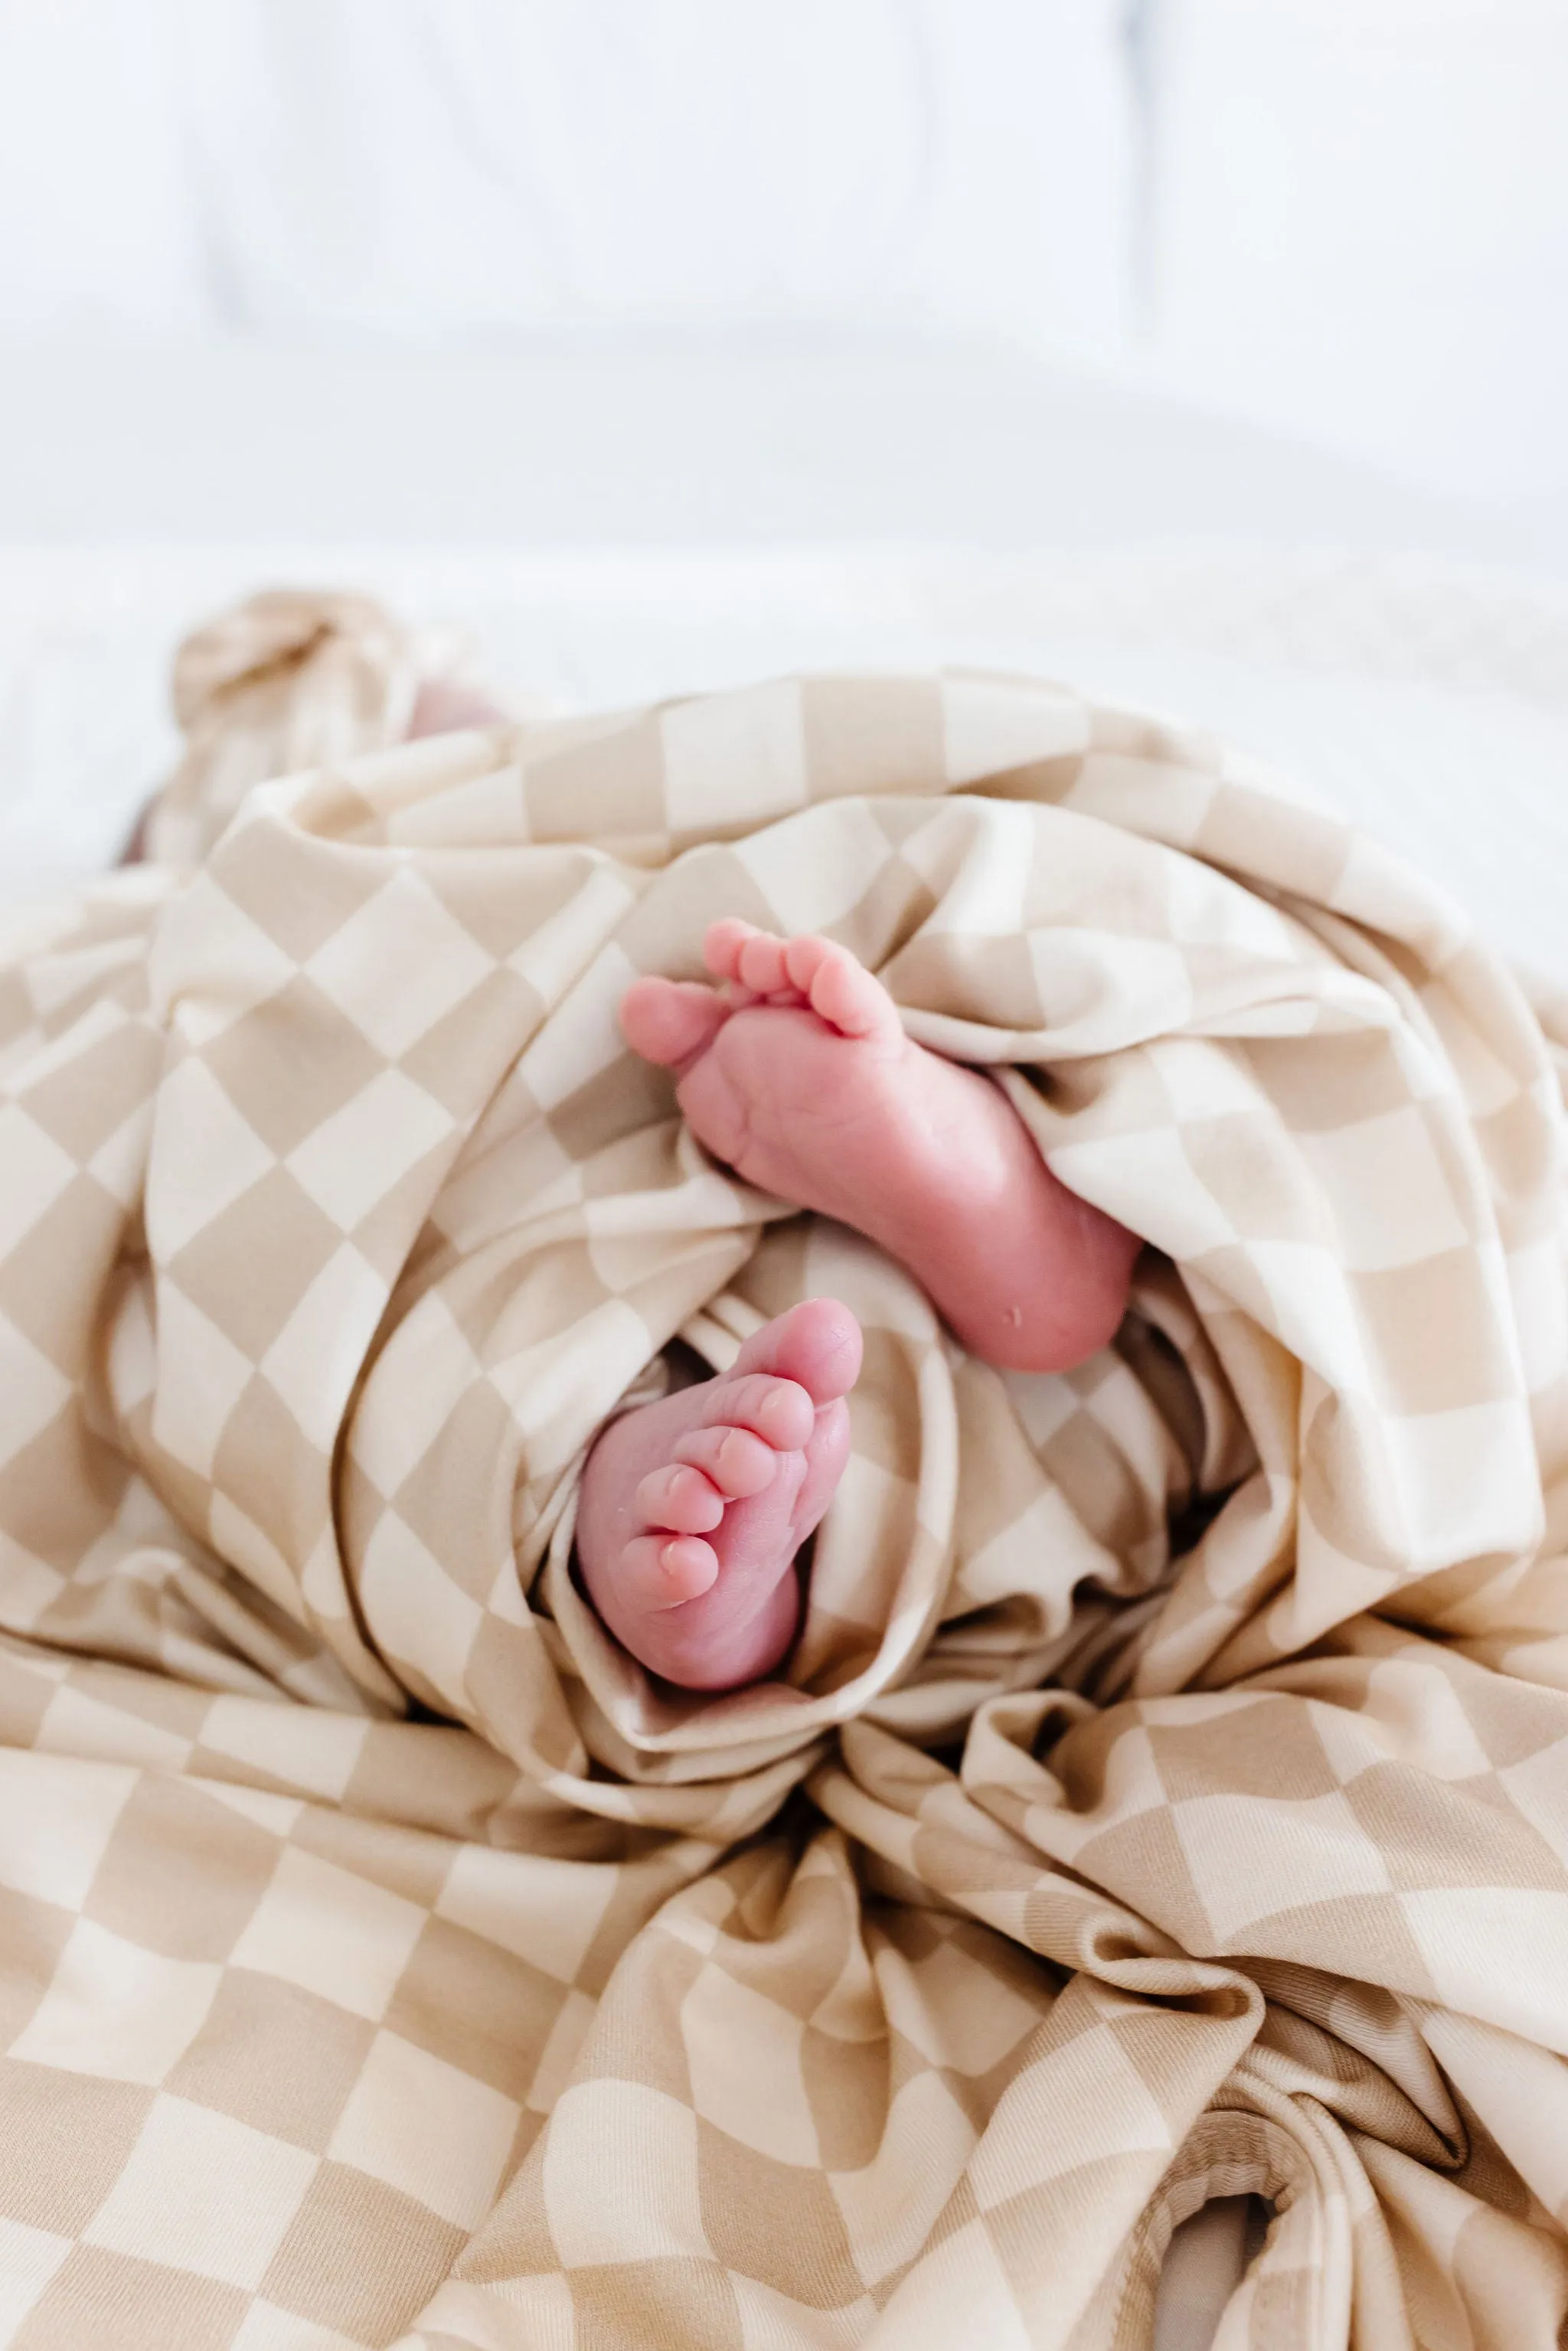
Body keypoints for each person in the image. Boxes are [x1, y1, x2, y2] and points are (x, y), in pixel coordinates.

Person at [575, 917, 1140, 1691]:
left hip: (655, 1320)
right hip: (1100, 1455)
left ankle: (629, 1514)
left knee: (568, 1391)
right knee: (706, 1457)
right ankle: (669, 1557)